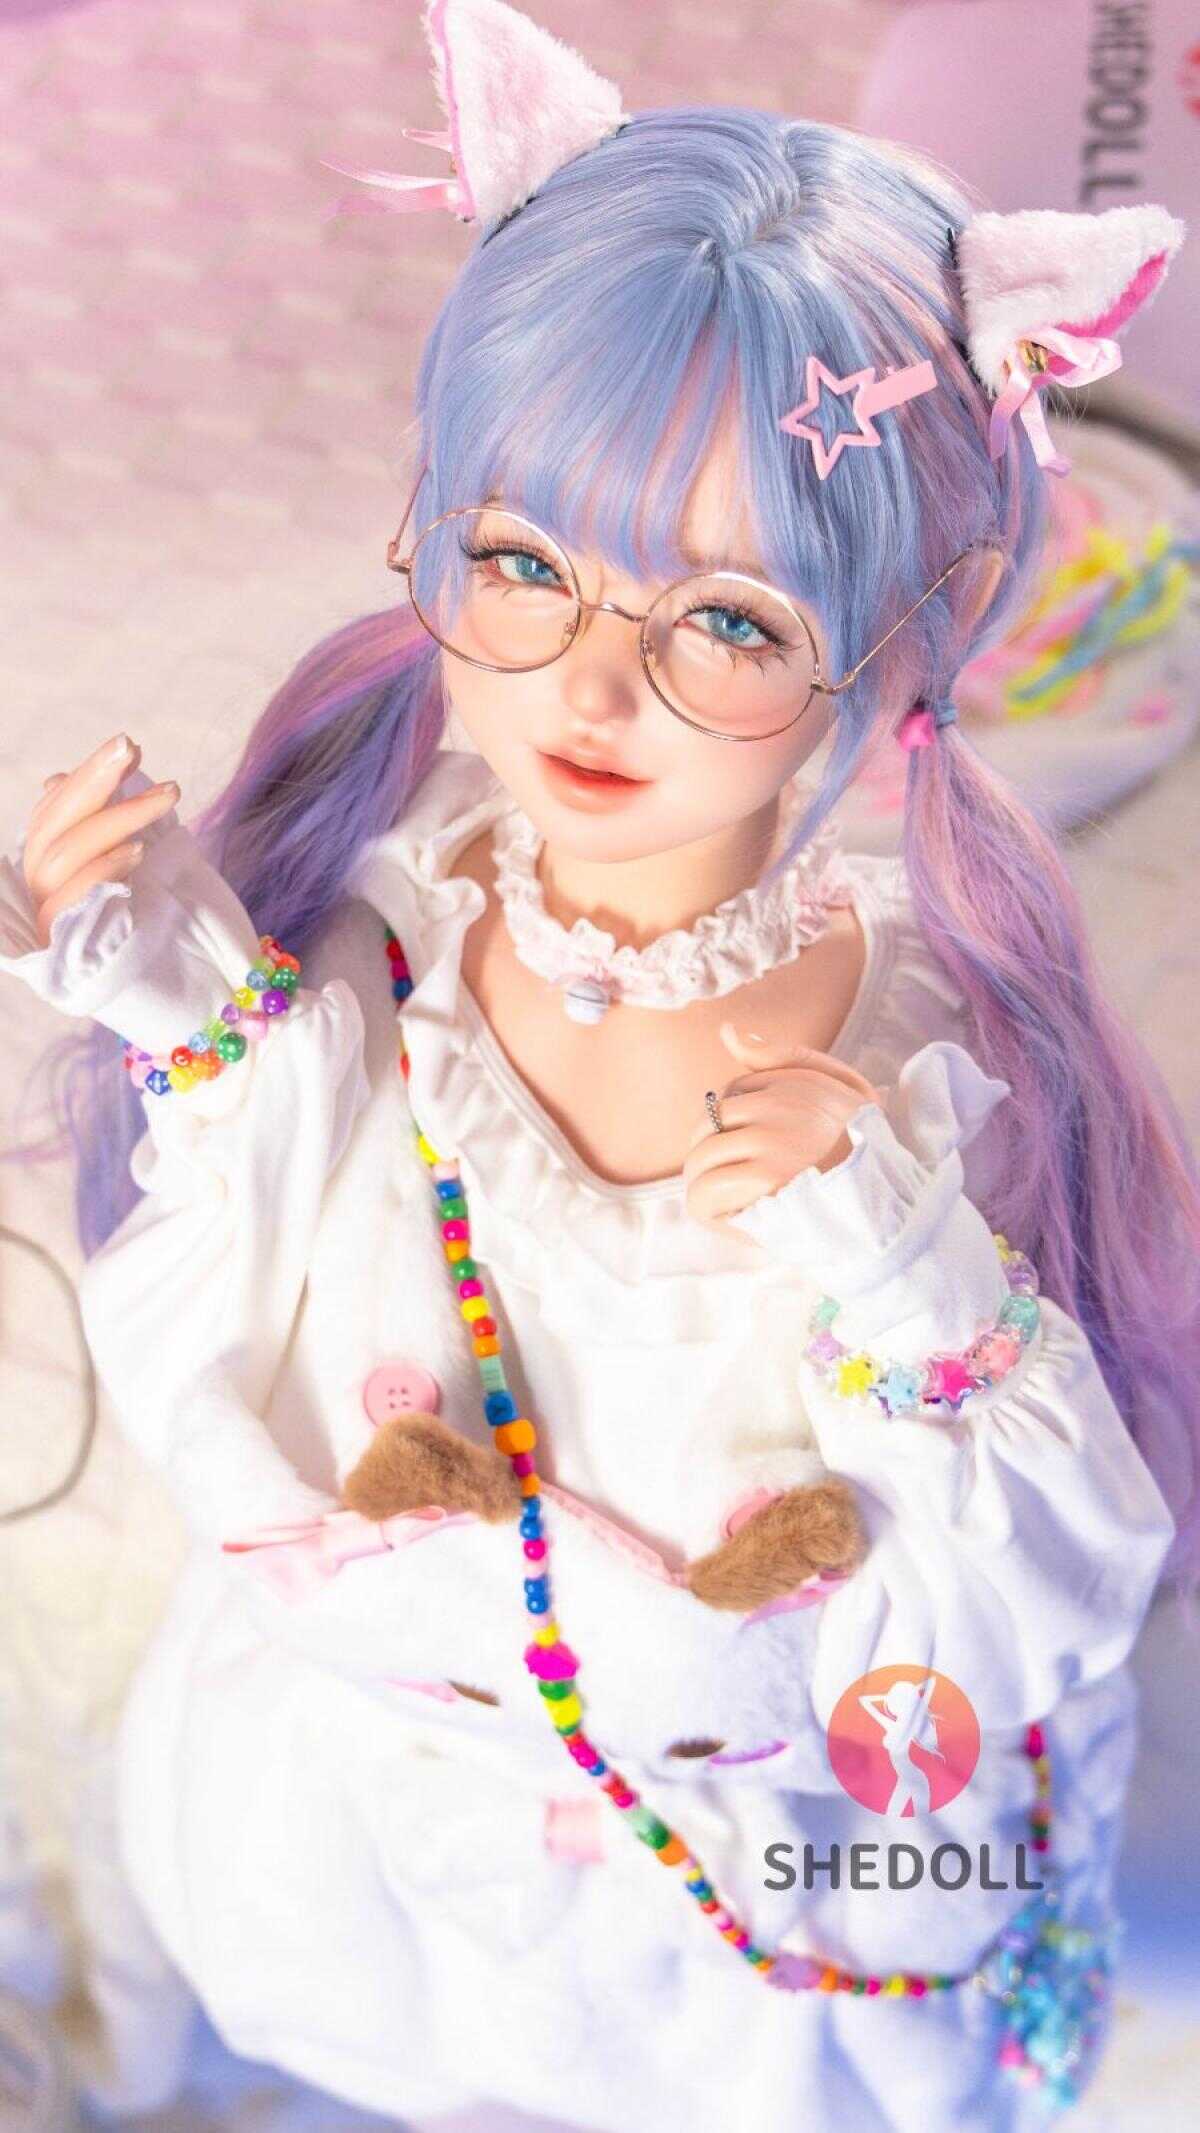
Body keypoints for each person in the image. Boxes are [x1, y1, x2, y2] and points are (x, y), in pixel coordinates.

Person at [1, 5, 1197, 2127]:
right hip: (386, 1834)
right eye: (525, 567)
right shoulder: (394, 948)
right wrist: (181, 996)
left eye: (729, 620)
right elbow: (252, 1263)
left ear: (901, 635)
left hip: (751, 1928)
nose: (588, 686)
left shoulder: (921, 1088)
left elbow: (1032, 1597)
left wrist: (905, 1265)